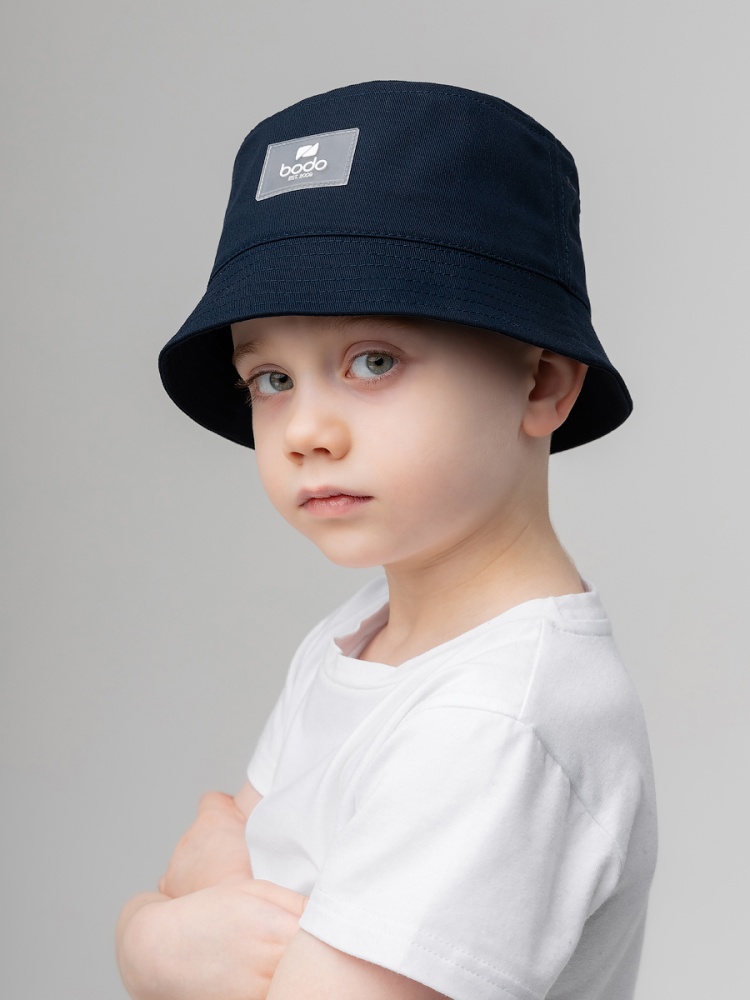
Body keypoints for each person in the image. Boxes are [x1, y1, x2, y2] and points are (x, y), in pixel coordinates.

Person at [116, 80, 658, 1000]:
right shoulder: (362, 634)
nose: (305, 431)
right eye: (271, 378)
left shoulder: (497, 720)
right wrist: (155, 932)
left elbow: (219, 872)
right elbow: (219, 870)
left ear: (541, 384)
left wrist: (155, 940)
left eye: (374, 361)